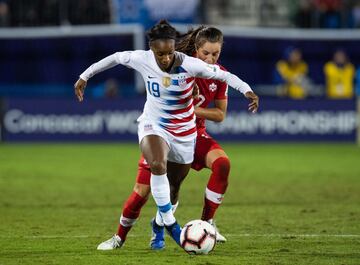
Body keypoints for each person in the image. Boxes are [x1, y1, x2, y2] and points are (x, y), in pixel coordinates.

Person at [91, 24, 259, 251]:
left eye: (215, 54)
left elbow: (219, 114)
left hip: (192, 133)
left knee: (214, 168)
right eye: (206, 53)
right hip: (161, 130)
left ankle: (204, 224)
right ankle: (121, 237)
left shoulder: (215, 74)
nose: (210, 59)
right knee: (142, 191)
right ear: (196, 50)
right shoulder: (176, 62)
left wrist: (245, 91)